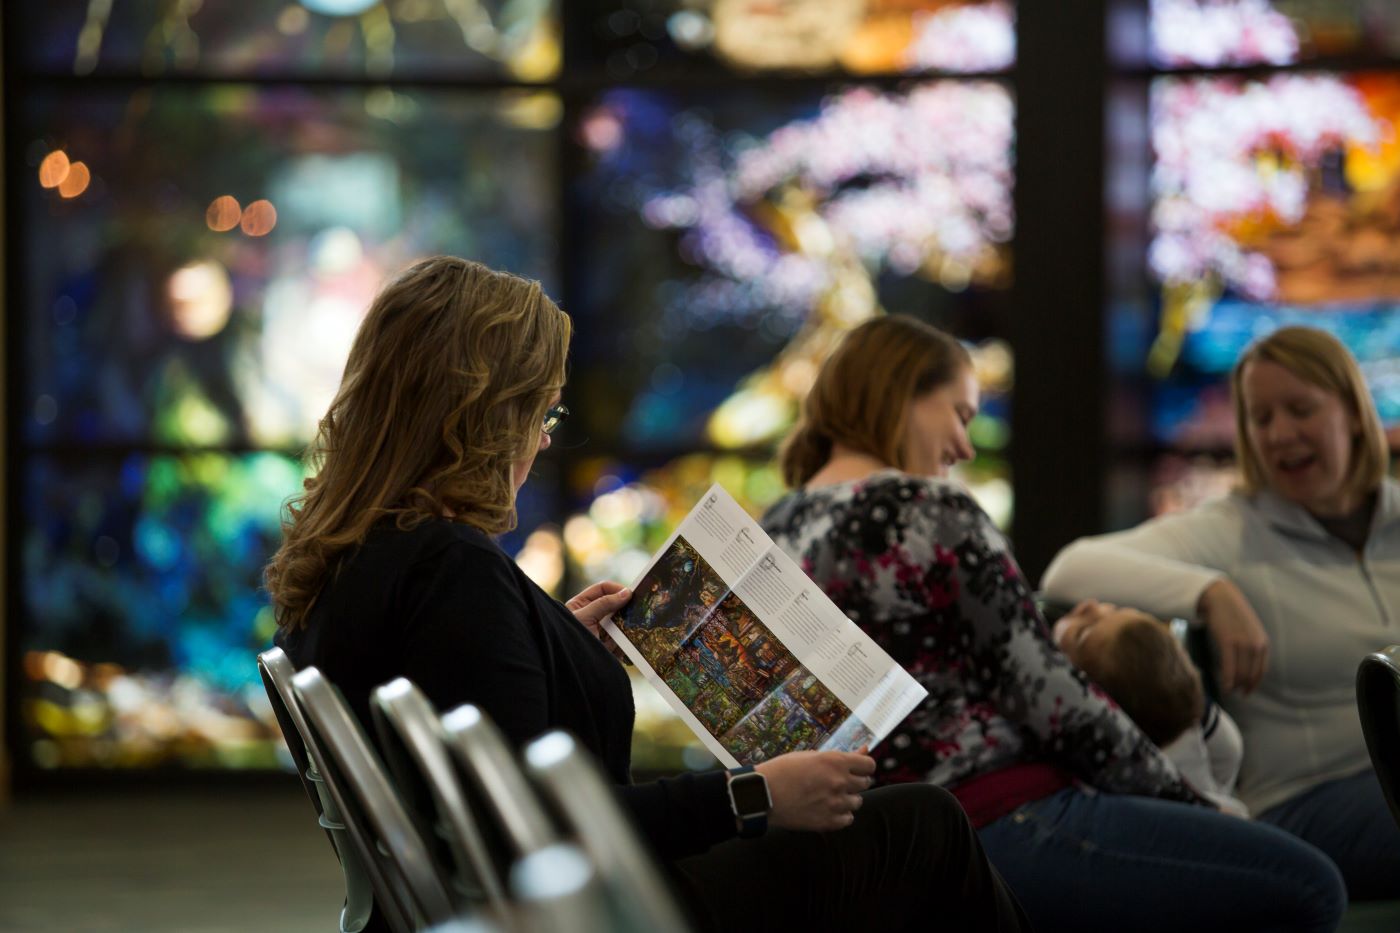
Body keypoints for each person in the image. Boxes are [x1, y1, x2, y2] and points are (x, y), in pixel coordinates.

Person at [264, 257, 1028, 933]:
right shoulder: (450, 567)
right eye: (543, 412)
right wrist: (753, 794)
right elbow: (545, 819)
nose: (544, 438)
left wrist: (545, 639)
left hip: (522, 899)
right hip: (599, 904)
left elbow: (474, 700)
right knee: (924, 823)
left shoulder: (355, 556)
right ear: (488, 415)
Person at [760, 314, 1346, 933]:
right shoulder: (928, 508)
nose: (963, 447)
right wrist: (1194, 805)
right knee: (1308, 885)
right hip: (994, 820)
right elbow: (1053, 700)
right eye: (960, 414)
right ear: (901, 393)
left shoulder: (777, 525)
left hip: (867, 859)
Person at [1042, 324, 1400, 899]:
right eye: (1261, 419)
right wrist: (1212, 592)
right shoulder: (1231, 531)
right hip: (1300, 804)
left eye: (1300, 410)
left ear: (1354, 413)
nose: (1280, 434)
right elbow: (1070, 569)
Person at [1051, 600, 1247, 816]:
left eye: (1082, 633)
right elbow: (1230, 750)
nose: (1088, 606)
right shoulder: (1191, 724)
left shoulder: (1097, 783)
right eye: (1115, 609)